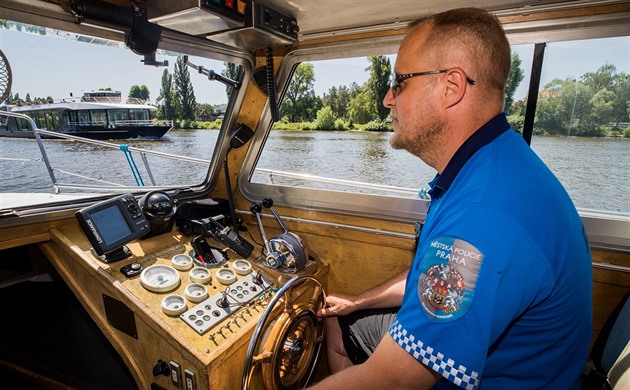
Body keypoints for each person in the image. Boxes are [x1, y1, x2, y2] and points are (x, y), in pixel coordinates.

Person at [311, 7, 592, 389]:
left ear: (451, 86)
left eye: (400, 81)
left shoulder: (483, 215)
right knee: (339, 320)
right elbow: (438, 276)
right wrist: (360, 301)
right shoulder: (489, 166)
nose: (387, 98)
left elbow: (392, 380)